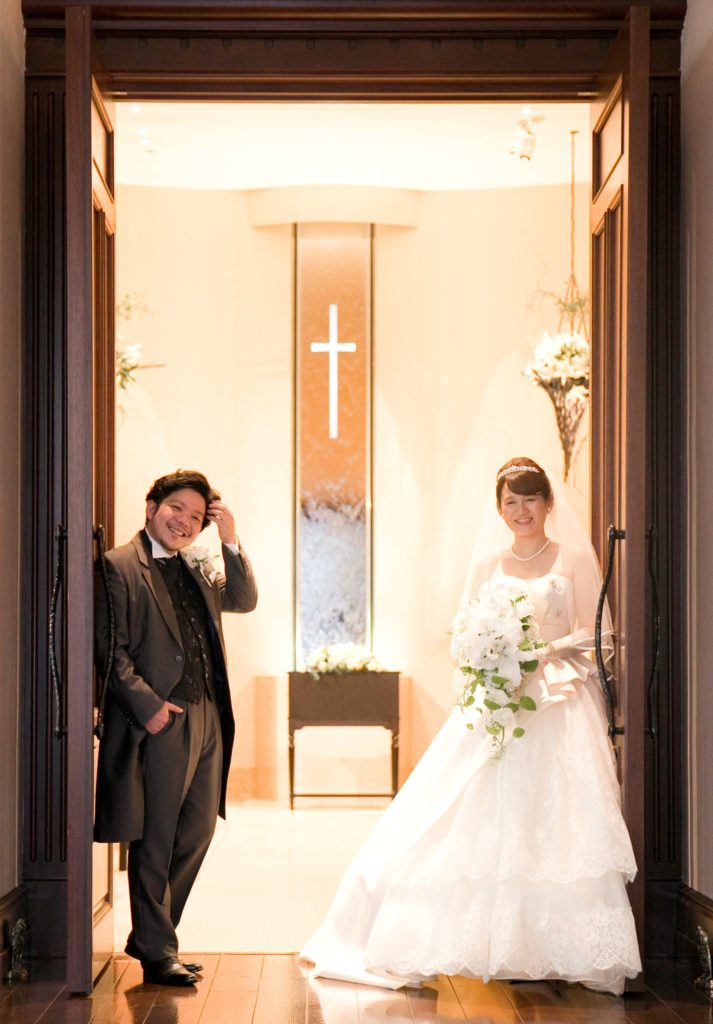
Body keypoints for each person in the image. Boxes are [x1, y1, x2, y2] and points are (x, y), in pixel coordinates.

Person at [300, 457, 641, 995]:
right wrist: (497, 657)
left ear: (548, 504)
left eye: (530, 499)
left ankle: (556, 947)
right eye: (511, 502)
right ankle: (478, 940)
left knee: (555, 821)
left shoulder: (573, 557)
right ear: (500, 509)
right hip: (499, 699)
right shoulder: (488, 564)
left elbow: (595, 636)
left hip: (559, 699)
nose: (521, 511)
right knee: (471, 816)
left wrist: (541, 652)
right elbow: (464, 637)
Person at [94, 469, 257, 986]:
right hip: (162, 719)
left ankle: (154, 939)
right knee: (157, 836)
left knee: (198, 831)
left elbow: (243, 599)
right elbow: (111, 648)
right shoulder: (119, 565)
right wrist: (149, 706)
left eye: (196, 516)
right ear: (151, 508)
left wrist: (229, 540)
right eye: (176, 509)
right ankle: (157, 950)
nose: (184, 522)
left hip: (208, 714)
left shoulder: (197, 564)